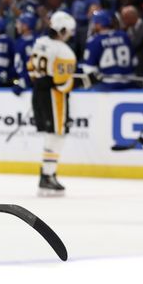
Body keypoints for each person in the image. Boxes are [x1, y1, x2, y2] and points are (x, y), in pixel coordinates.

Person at [27, 11, 88, 196]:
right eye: (68, 31)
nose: (69, 34)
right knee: (57, 135)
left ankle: (47, 174)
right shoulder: (64, 51)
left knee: (53, 135)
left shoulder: (39, 43)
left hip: (38, 92)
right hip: (54, 98)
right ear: (61, 29)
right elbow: (63, 84)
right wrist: (87, 80)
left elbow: (30, 68)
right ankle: (47, 175)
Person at [82, 9, 135, 90]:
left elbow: (88, 68)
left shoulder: (94, 40)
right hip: (129, 82)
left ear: (99, 24)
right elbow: (135, 61)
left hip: (108, 84)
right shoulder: (124, 36)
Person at [12, 12, 37, 95]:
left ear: (26, 25)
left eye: (19, 23)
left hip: (32, 85)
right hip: (20, 81)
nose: (17, 26)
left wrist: (24, 81)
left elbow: (33, 66)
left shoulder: (36, 43)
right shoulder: (19, 41)